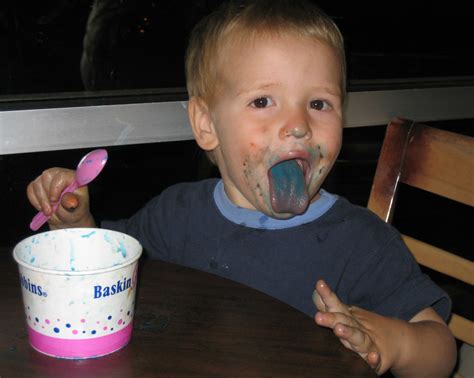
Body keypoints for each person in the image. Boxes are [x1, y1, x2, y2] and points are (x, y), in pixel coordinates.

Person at [27, 0, 456, 376]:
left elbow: (441, 352)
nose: (298, 125)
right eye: (263, 101)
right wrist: (75, 221)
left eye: (319, 103)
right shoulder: (175, 215)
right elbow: (103, 278)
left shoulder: (362, 242)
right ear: (207, 125)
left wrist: (393, 344)